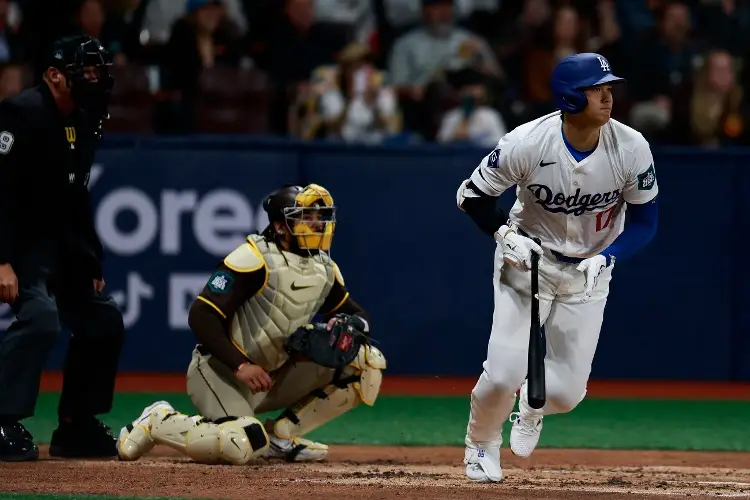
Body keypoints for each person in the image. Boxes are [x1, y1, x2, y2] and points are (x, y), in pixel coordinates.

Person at [455, 53, 659, 482]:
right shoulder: (527, 143)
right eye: (596, 89)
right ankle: (480, 444)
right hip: (527, 261)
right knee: (503, 374)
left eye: (608, 88)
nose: (607, 96)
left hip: (590, 271)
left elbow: (645, 222)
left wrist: (608, 258)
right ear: (570, 98)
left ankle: (532, 409)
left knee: (565, 395)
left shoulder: (631, 147)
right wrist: (505, 237)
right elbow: (470, 197)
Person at [117, 184, 386, 465]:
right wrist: (241, 365)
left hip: (271, 376)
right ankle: (159, 421)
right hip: (221, 373)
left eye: (320, 216)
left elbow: (357, 314)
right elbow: (201, 315)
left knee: (366, 362)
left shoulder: (324, 268)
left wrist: (351, 326)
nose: (318, 224)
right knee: (242, 444)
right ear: (281, 226)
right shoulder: (255, 257)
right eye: (307, 217)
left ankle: (282, 437)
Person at [0, 35, 123, 462]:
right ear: (54, 75)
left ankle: (76, 423)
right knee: (40, 317)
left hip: (60, 247)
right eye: (85, 70)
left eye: (98, 69)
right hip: (19, 245)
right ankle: (2, 419)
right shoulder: (22, 114)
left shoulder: (86, 115)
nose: (95, 77)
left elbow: (77, 195)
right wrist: (2, 261)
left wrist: (89, 258)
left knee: (103, 318)